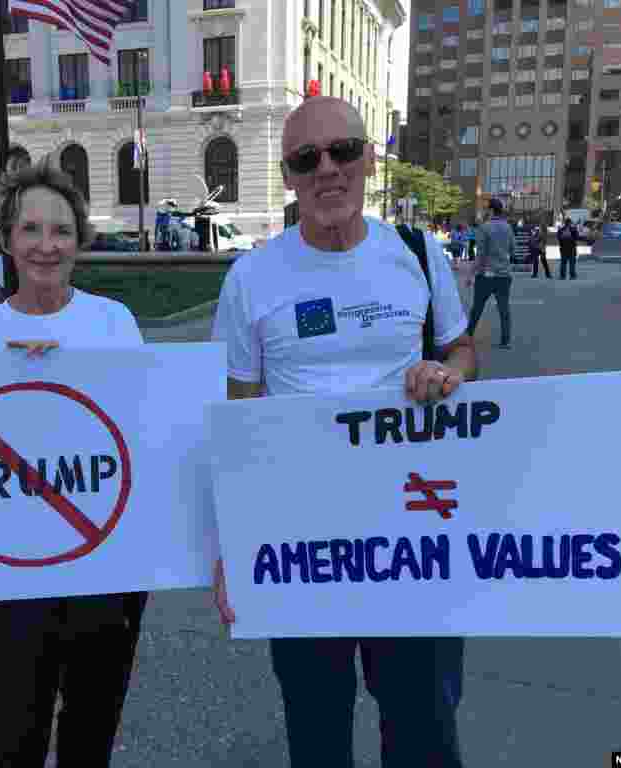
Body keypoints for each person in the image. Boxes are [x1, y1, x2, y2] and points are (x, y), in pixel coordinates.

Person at [211, 96, 475, 768]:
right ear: (288, 176)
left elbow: (461, 348)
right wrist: (231, 546)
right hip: (304, 539)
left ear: (369, 160)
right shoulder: (251, 278)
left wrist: (447, 374)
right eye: (307, 159)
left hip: (411, 533)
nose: (327, 170)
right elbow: (237, 417)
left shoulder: (417, 253)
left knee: (423, 726)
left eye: (343, 151)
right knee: (317, 728)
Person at [0, 157, 149, 768]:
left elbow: (145, 432)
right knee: (14, 733)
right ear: (8, 239)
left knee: (92, 728)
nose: (47, 245)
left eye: (62, 230)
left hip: (106, 563)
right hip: (17, 570)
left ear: (79, 240)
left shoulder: (114, 323)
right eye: (31, 229)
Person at [468, 198, 515, 349]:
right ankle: (506, 340)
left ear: (491, 210)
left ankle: (468, 336)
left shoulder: (484, 228)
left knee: (477, 307)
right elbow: (512, 249)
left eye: (487, 209)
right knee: (504, 308)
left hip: (486, 275)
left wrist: (471, 274)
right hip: (504, 275)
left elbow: (480, 254)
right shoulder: (508, 228)